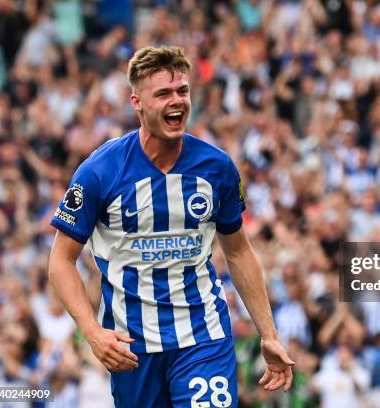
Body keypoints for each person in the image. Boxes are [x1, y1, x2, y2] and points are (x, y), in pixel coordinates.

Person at [48, 46, 294, 407]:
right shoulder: (100, 170)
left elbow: (239, 250)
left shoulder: (217, 168)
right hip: (132, 347)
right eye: (163, 93)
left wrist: (268, 333)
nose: (176, 101)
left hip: (203, 336)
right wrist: (93, 333)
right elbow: (60, 261)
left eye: (182, 91)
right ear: (137, 102)